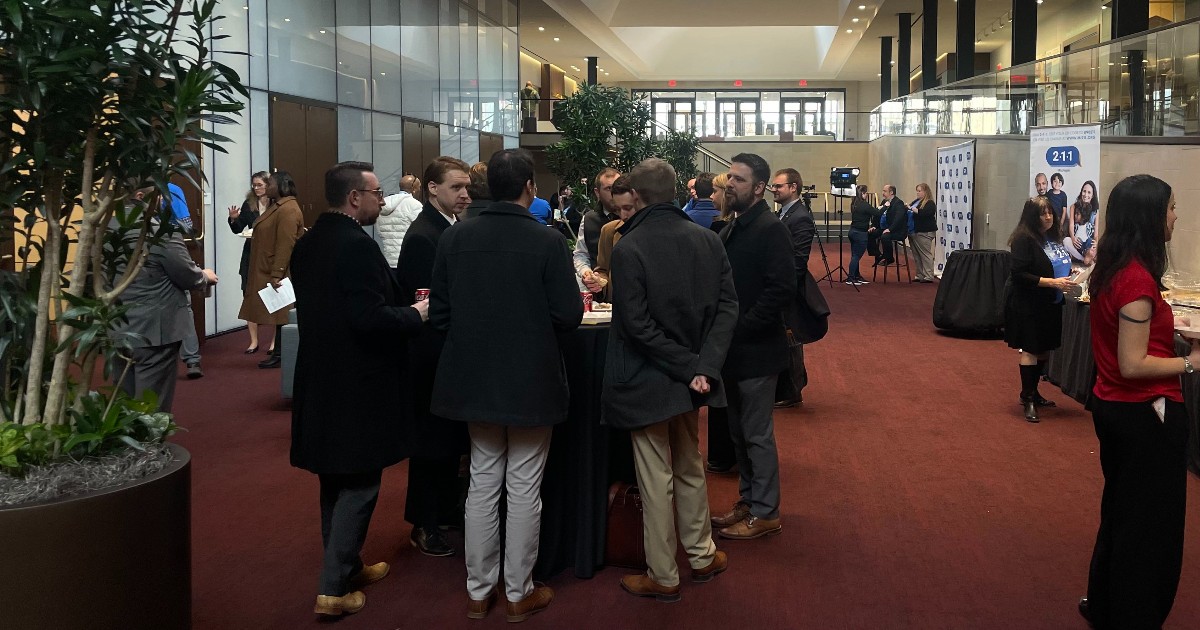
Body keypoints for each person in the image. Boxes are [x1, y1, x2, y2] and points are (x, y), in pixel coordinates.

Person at [428, 148, 582, 623]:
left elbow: (440, 315)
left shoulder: (455, 238)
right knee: (523, 487)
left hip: (473, 378)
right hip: (531, 378)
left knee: (481, 480)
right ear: (529, 188)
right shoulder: (547, 241)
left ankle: (478, 591)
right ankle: (518, 591)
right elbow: (569, 315)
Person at [289, 161, 429, 618]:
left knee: (335, 476)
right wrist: (417, 316)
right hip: (359, 381)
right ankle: (332, 588)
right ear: (354, 197)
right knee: (362, 481)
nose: (382, 201)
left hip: (320, 377)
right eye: (375, 192)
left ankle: (347, 565)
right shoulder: (356, 248)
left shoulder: (309, 243)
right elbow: (369, 319)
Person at [602, 157, 738, 602]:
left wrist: (689, 366)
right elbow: (727, 309)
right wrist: (703, 366)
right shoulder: (708, 238)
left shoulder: (628, 247)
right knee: (690, 464)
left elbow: (637, 327)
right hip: (689, 378)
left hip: (646, 376)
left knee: (655, 477)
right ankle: (701, 555)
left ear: (636, 197)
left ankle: (663, 573)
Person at [1078, 174, 1199, 630]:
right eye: (1170, 208)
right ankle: (1133, 613)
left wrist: (1172, 333)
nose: (1175, 216)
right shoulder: (1134, 279)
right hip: (1144, 414)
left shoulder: (1118, 267)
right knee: (1151, 528)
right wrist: (1192, 363)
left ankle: (1110, 603)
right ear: (1149, 216)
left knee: (1123, 513)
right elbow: (1133, 364)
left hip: (1117, 409)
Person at [711, 153, 795, 540]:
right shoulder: (736, 225)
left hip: (757, 350)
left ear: (759, 188)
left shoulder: (769, 228)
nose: (729, 184)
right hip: (735, 350)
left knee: (756, 434)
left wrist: (742, 327)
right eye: (729, 177)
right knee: (738, 433)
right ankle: (748, 501)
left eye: (739, 180)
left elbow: (781, 289)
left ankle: (766, 512)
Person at [395, 156, 471, 558]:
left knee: (448, 441)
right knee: (430, 443)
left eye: (465, 187)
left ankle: (442, 512)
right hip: (430, 353)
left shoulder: (450, 228)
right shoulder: (425, 235)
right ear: (432, 189)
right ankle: (424, 523)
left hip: (448, 351)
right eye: (455, 187)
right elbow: (424, 303)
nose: (464, 193)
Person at [112, 187, 218, 413]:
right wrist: (204, 276)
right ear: (141, 196)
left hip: (115, 324)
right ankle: (150, 447)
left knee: (123, 398)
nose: (162, 202)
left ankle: (128, 445)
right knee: (152, 404)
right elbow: (185, 274)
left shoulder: (103, 229)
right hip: (155, 329)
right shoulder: (160, 231)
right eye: (159, 196)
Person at [1003, 196, 1076, 422]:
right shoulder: (1023, 239)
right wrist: (1052, 282)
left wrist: (1068, 274)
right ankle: (1028, 398)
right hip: (1028, 303)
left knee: (1045, 348)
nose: (1048, 217)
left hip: (1050, 302)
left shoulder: (1053, 239)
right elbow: (1020, 275)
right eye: (1043, 214)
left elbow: (1056, 264)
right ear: (1032, 216)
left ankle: (1034, 391)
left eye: (1050, 213)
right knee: (1030, 349)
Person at [238, 170, 304, 369]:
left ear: (281, 186)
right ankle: (279, 353)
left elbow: (286, 244)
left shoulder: (288, 209)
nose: (267, 187)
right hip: (268, 268)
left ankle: (282, 354)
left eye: (271, 184)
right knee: (279, 315)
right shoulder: (278, 207)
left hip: (277, 272)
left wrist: (277, 272)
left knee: (283, 315)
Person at [769, 167, 814, 408]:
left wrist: (784, 291)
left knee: (791, 340)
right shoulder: (785, 214)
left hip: (789, 290)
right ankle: (787, 388)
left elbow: (798, 261)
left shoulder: (801, 217)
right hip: (781, 285)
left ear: (793, 187)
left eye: (778, 186)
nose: (773, 189)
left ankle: (793, 390)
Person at [227, 171, 269, 354]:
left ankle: (275, 342)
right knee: (249, 294)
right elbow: (238, 229)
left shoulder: (277, 204)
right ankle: (253, 341)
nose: (256, 188)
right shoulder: (249, 203)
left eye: (260, 184)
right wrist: (234, 219)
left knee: (273, 297)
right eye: (254, 185)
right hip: (251, 253)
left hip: (269, 254)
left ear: (269, 185)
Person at [573, 167, 622, 295]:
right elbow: (581, 254)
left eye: (617, 187)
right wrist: (586, 273)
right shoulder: (589, 219)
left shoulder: (632, 217)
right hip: (599, 292)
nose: (614, 193)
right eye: (608, 188)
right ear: (597, 192)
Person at [590, 176, 636, 301]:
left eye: (628, 208)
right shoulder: (609, 231)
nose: (623, 215)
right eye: (617, 209)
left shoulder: (654, 231)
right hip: (615, 307)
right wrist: (598, 281)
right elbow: (603, 269)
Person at [377, 174, 423, 265]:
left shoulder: (383, 204)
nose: (420, 190)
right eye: (419, 187)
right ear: (414, 188)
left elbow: (379, 230)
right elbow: (421, 232)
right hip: (407, 260)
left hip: (388, 260)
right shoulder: (414, 205)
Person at [1064, 180, 1099, 264]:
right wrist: (1073, 238)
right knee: (1066, 241)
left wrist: (1096, 243)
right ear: (1081, 192)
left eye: (1089, 192)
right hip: (1077, 242)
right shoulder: (1074, 206)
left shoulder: (1095, 212)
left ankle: (1089, 255)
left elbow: (1096, 233)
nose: (1086, 195)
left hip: (1088, 243)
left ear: (1092, 195)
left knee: (1095, 248)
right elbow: (1071, 225)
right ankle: (1084, 259)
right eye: (1084, 191)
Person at [909, 182, 938, 283]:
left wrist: (914, 210)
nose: (917, 193)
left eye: (919, 191)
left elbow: (926, 214)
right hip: (915, 231)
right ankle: (920, 274)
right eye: (917, 191)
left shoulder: (930, 203)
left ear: (925, 191)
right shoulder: (917, 201)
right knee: (917, 255)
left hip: (925, 232)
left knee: (925, 254)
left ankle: (928, 275)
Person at [847, 184, 876, 285]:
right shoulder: (864, 205)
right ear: (863, 193)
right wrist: (885, 207)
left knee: (855, 255)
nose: (867, 195)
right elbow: (877, 213)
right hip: (860, 233)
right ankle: (851, 278)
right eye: (866, 193)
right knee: (856, 256)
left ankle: (856, 275)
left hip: (852, 231)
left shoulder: (854, 203)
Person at [876, 184, 907, 265]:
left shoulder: (898, 203)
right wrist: (873, 226)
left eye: (885, 191)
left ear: (891, 192)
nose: (883, 193)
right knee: (872, 233)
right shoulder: (884, 202)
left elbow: (898, 219)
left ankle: (889, 258)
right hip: (886, 228)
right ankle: (877, 254)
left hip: (897, 230)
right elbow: (878, 215)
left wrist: (890, 229)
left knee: (885, 236)